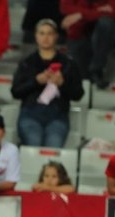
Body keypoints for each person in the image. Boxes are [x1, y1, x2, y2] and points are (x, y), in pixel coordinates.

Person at [11, 19, 84, 148]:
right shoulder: (27, 62)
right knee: (33, 147)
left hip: (58, 116)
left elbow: (78, 94)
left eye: (50, 33)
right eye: (42, 33)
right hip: (30, 114)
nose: (46, 37)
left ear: (56, 36)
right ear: (36, 36)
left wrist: (62, 83)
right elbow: (15, 91)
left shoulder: (68, 64)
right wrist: (36, 81)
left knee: (52, 149)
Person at [60, 0, 115, 89]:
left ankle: (96, 69)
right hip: (78, 33)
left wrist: (80, 15)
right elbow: (64, 8)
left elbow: (112, 12)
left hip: (103, 36)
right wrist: (97, 11)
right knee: (81, 80)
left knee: (106, 23)